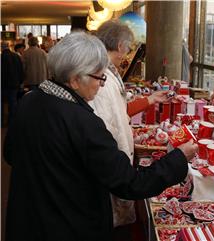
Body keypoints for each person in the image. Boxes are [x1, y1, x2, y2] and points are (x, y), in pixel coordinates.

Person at [4, 31, 198, 241]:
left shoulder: (29, 101)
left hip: (28, 220)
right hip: (69, 227)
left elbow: (10, 154)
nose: (101, 84)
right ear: (75, 79)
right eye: (99, 77)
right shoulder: (82, 122)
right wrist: (178, 157)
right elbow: (130, 183)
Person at [90, 20, 171, 230]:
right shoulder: (102, 76)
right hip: (111, 162)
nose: (127, 54)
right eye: (128, 49)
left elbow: (119, 110)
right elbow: (111, 119)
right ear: (119, 46)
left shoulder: (105, 72)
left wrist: (150, 100)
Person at [1, 42, 24, 127]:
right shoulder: (16, 56)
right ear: (8, 47)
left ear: (1, 48)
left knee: (1, 104)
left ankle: (1, 122)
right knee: (13, 103)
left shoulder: (1, 57)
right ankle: (12, 122)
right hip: (14, 84)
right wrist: (21, 82)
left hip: (2, 85)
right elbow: (21, 70)